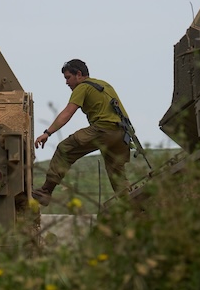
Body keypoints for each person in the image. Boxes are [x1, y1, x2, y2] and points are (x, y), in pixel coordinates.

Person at [33, 59, 131, 206]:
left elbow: (67, 113)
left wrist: (48, 132)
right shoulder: (104, 84)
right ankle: (130, 204)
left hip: (104, 129)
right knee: (116, 171)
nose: (67, 82)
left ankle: (45, 192)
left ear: (79, 74)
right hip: (123, 134)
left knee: (65, 149)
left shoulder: (83, 87)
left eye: (68, 77)